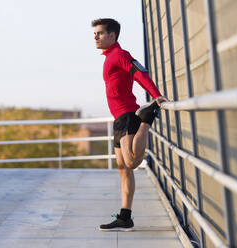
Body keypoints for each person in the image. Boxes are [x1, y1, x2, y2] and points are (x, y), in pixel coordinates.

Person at [92, 18, 167, 231]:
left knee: (133, 162)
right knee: (123, 168)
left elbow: (139, 73)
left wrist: (156, 95)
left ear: (112, 35)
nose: (96, 37)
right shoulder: (109, 57)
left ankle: (147, 119)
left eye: (99, 33)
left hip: (128, 115)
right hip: (119, 119)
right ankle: (125, 217)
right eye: (95, 34)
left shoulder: (120, 55)